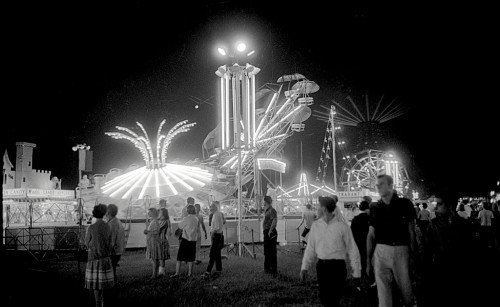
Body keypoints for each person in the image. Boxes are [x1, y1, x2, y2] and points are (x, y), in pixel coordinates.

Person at [300, 196, 361, 307]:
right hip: (322, 267)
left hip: (338, 267)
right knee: (325, 299)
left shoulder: (342, 227)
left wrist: (357, 272)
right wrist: (304, 267)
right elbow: (310, 248)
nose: (316, 209)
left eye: (318, 207)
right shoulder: (316, 226)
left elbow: (352, 249)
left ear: (324, 209)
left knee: (334, 298)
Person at [366, 174, 417, 307]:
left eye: (381, 184)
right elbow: (371, 234)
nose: (377, 187)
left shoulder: (405, 204)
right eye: (376, 185)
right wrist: (368, 259)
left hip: (401, 249)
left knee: (406, 290)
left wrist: (412, 254)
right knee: (383, 294)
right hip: (381, 250)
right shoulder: (374, 207)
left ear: (390, 185)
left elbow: (411, 231)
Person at [421, 193, 475, 307]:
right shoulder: (434, 224)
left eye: (439, 204)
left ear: (450, 206)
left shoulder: (463, 225)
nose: (436, 207)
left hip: (450, 268)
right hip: (442, 269)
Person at [84, 204, 114, 307]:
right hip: (105, 258)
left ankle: (97, 303)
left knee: (96, 284)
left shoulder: (91, 227)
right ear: (104, 213)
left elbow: (87, 243)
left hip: (94, 258)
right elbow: (111, 242)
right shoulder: (108, 226)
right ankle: (103, 302)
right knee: (104, 283)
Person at [171, 204, 199, 277]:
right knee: (191, 258)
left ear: (187, 211)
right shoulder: (196, 218)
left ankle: (177, 273)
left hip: (185, 239)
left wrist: (183, 216)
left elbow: (180, 226)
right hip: (193, 240)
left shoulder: (186, 218)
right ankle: (190, 273)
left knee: (179, 257)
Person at [203, 201, 226, 278]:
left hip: (216, 236)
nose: (210, 207)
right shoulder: (218, 214)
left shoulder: (216, 215)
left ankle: (208, 271)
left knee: (212, 254)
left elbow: (216, 227)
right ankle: (218, 270)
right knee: (217, 254)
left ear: (215, 207)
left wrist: (212, 234)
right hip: (219, 235)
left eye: (212, 206)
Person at [351, 200, 370, 281]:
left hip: (358, 242)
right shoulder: (370, 219)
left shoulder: (355, 219)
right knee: (368, 258)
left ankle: (361, 275)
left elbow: (352, 233)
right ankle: (369, 275)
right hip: (368, 242)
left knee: (360, 258)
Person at [105, 204, 125, 283]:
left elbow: (112, 240)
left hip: (113, 251)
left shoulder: (112, 224)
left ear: (108, 212)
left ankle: (112, 286)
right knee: (112, 269)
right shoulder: (116, 221)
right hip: (118, 250)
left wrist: (107, 252)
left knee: (110, 270)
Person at [144, 208, 162, 279]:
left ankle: (154, 274)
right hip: (152, 241)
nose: (148, 213)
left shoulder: (155, 221)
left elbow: (157, 232)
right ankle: (155, 273)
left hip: (153, 242)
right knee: (154, 258)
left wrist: (148, 232)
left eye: (149, 212)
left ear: (152, 213)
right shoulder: (153, 221)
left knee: (154, 258)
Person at [262, 195, 278, 276]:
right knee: (267, 251)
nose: (263, 202)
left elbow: (274, 221)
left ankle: (272, 269)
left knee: (271, 252)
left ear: (266, 201)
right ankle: (267, 268)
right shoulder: (267, 210)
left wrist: (270, 231)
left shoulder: (272, 210)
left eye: (264, 201)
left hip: (270, 232)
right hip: (267, 231)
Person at [158, 208, 172, 276]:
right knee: (160, 256)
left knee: (161, 256)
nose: (159, 213)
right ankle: (160, 269)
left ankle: (162, 271)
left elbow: (158, 229)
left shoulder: (164, 221)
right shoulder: (161, 221)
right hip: (159, 240)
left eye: (160, 212)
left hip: (162, 240)